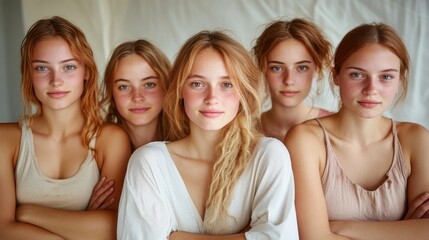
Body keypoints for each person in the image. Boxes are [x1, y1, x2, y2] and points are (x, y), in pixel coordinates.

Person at [118, 30, 299, 240]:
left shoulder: (268, 155)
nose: (212, 97)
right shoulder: (148, 162)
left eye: (226, 84)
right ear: (179, 89)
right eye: (197, 83)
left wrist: (176, 237)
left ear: (244, 92)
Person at [284, 22, 429, 240]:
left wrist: (342, 227)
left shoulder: (416, 139)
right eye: (357, 75)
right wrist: (403, 231)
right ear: (336, 75)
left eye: (386, 76)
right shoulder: (305, 141)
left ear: (399, 79)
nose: (371, 89)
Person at [0, 16, 131, 240]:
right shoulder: (6, 139)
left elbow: (114, 228)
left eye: (68, 67)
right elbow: (3, 230)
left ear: (86, 72)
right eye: (42, 68)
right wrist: (82, 226)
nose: (56, 80)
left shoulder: (109, 139)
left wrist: (27, 213)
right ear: (29, 75)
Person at [253, 18, 333, 141]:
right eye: (276, 68)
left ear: (316, 67)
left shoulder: (336, 128)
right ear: (262, 68)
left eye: (301, 67)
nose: (289, 80)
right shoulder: (245, 130)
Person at [101, 39, 171, 151]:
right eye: (124, 86)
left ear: (167, 87)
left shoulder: (188, 143)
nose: (137, 97)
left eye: (149, 84)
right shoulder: (98, 145)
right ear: (111, 92)